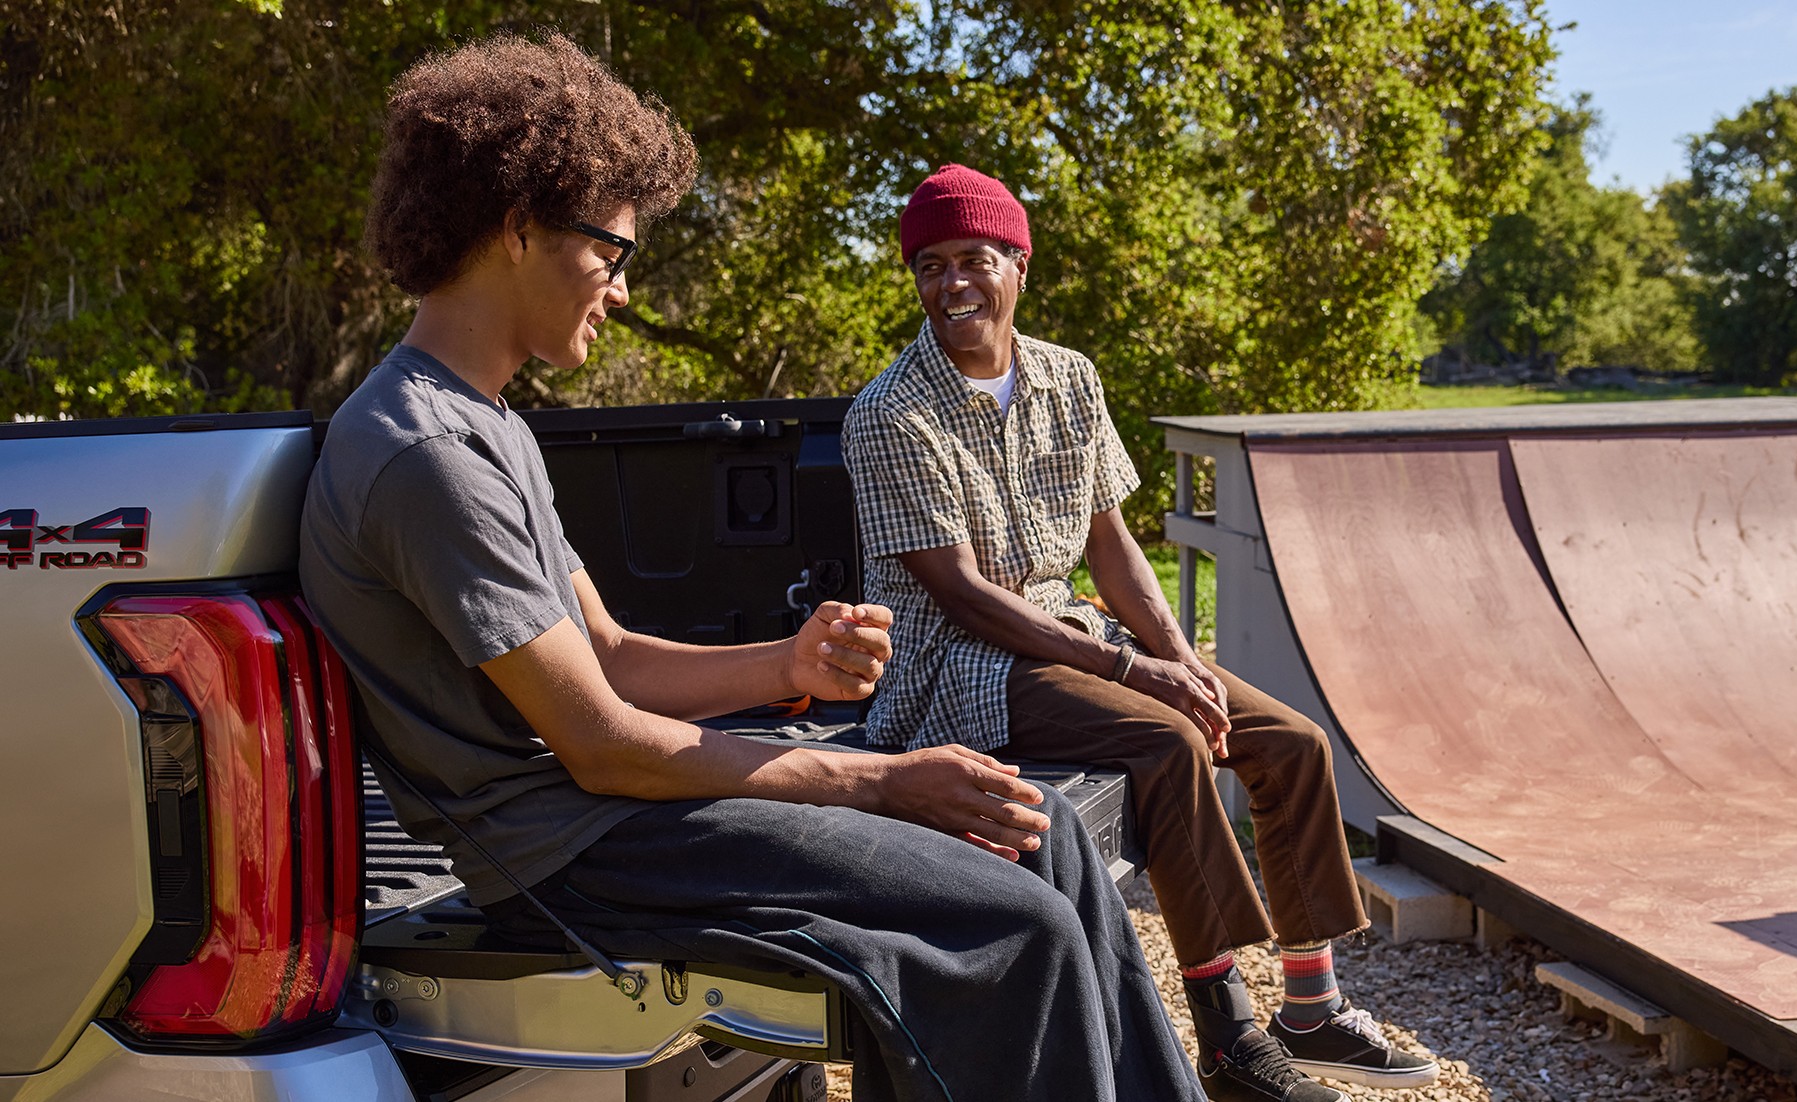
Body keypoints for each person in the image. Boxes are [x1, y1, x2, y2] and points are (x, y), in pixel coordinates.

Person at [299, 36, 1200, 1102]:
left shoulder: (484, 424)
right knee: (1012, 919)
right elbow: (600, 745)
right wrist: (881, 780)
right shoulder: (425, 454)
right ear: (518, 226)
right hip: (574, 854)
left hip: (621, 812)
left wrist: (788, 663)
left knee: (1042, 839)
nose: (621, 292)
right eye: (612, 251)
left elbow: (613, 656)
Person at [843, 165, 1442, 1102]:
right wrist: (1136, 672)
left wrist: (1180, 659)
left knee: (1289, 742)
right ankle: (1227, 1038)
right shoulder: (888, 414)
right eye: (930, 266)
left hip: (1065, 632)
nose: (952, 284)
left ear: (1019, 266)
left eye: (974, 259)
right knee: (1164, 741)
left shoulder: (1069, 378)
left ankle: (1313, 1010)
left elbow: (1112, 549)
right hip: (955, 668)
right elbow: (962, 595)